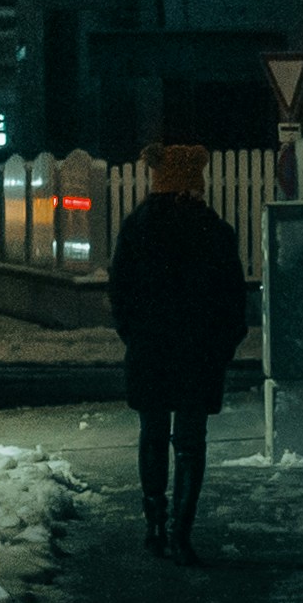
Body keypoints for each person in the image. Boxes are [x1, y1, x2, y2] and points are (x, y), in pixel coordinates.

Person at [108, 139, 250, 562]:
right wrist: (222, 346)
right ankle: (181, 534)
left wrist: (133, 334)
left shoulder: (137, 227)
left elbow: (120, 292)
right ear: (194, 184)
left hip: (150, 349)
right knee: (190, 442)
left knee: (152, 434)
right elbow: (232, 298)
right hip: (198, 353)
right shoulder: (215, 230)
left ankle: (154, 525)